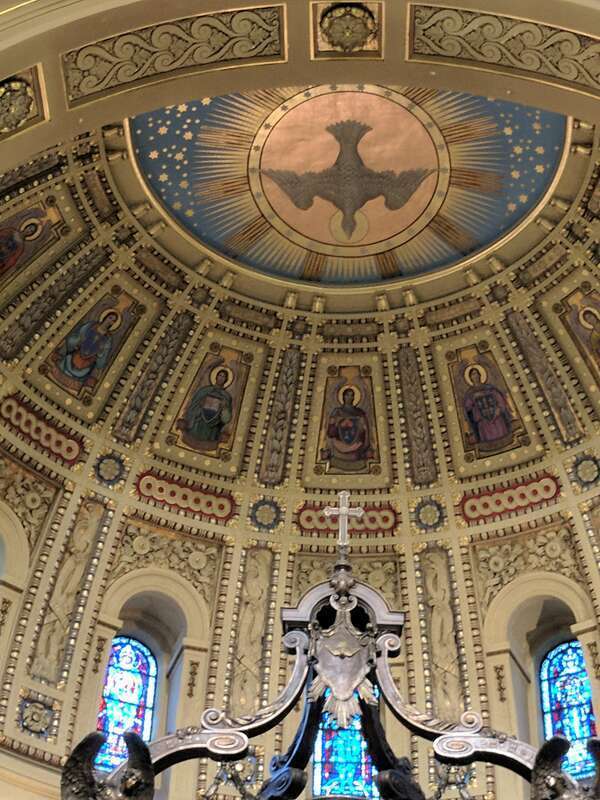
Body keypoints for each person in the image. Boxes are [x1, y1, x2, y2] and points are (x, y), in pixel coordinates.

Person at [58, 308, 121, 384]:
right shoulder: (91, 325)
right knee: (68, 362)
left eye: (113, 321)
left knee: (82, 372)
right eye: (110, 318)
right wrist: (79, 340)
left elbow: (103, 354)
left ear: (113, 324)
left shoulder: (108, 338)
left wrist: (101, 351)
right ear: (105, 317)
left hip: (89, 360)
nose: (110, 321)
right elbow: (79, 335)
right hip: (78, 352)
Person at [322, 385, 372, 471]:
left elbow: (365, 430)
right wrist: (340, 423)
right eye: (347, 395)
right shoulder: (337, 411)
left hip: (356, 449)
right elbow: (330, 431)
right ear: (343, 396)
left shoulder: (359, 412)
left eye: (352, 395)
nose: (350, 397)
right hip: (338, 448)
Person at [180, 367, 233, 448]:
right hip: (198, 422)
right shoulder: (204, 390)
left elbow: (226, 419)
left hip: (212, 428)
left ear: (226, 379)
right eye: (220, 375)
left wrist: (224, 407)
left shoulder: (226, 396)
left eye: (223, 377)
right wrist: (200, 404)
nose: (221, 378)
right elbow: (193, 406)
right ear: (216, 376)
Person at [463, 365, 512, 445]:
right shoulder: (470, 393)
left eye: (476, 373)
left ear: (480, 375)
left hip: (497, 418)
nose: (475, 376)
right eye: (473, 374)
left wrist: (499, 409)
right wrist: (473, 399)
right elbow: (467, 407)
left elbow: (500, 399)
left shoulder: (489, 388)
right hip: (483, 421)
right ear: (470, 378)